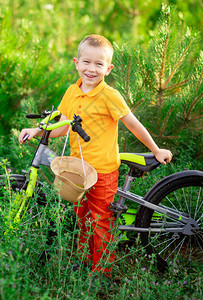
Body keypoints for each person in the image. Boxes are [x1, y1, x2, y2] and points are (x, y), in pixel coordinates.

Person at [18, 34, 172, 277]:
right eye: (86, 62)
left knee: (100, 221)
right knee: (82, 218)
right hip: (78, 170)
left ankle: (102, 273)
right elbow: (63, 125)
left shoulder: (110, 96)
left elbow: (132, 124)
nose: (91, 69)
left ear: (108, 69)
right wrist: (37, 131)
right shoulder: (72, 91)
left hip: (102, 170)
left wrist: (156, 149)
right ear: (76, 63)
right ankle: (85, 261)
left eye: (99, 64)